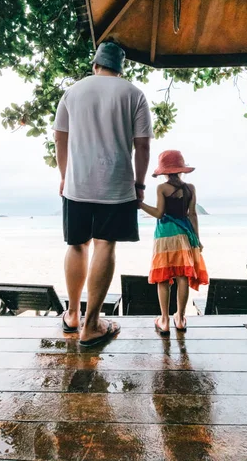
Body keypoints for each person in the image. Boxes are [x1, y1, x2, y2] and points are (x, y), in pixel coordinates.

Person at [53, 41, 152, 347]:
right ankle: (92, 324)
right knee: (105, 245)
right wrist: (139, 184)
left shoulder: (73, 92)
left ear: (95, 64)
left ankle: (72, 314)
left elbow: (60, 137)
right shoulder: (133, 94)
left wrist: (64, 176)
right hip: (116, 184)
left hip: (77, 183)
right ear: (121, 68)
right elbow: (143, 145)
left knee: (77, 244)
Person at [139, 150, 209, 335]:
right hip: (185, 235)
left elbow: (159, 214)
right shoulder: (190, 188)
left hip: (164, 236)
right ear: (181, 169)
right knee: (182, 276)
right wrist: (197, 239)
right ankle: (180, 317)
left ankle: (164, 320)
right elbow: (192, 214)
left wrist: (140, 205)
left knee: (163, 278)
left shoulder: (162, 188)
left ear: (164, 171)